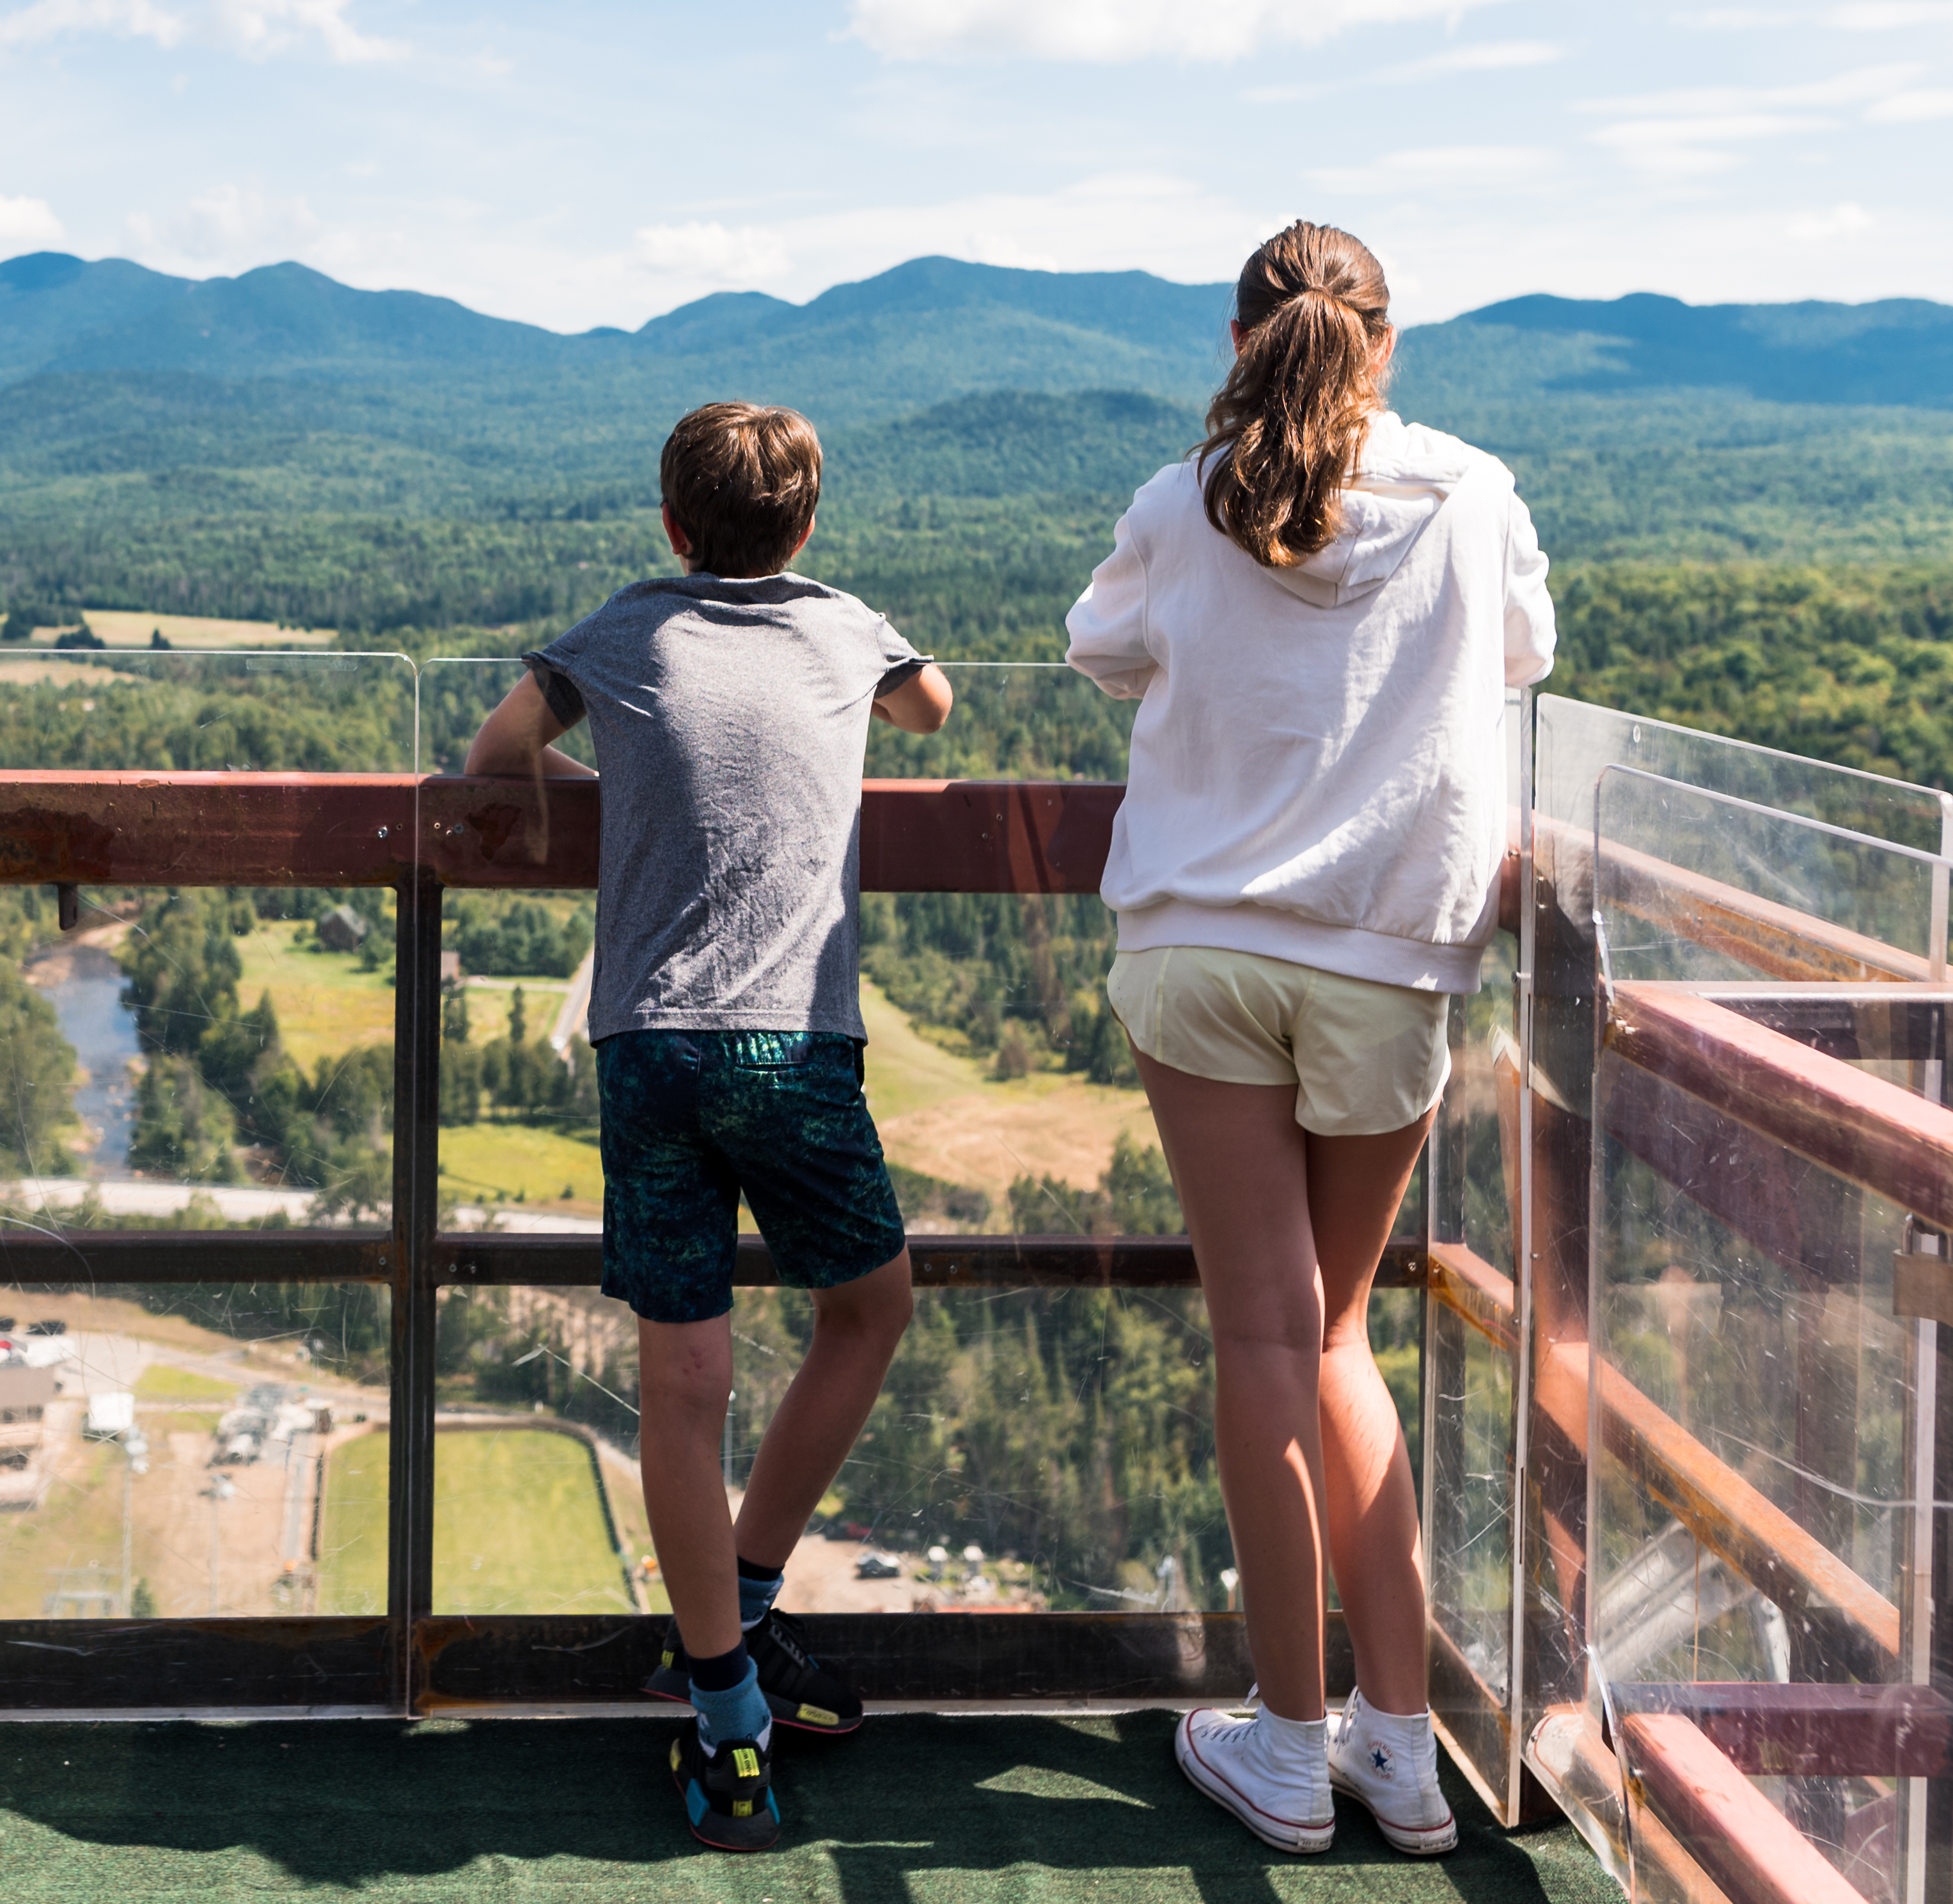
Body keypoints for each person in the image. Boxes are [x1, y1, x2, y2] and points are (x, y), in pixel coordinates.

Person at [1065, 222, 1553, 1856]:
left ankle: (1283, 1743)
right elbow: (1528, 659)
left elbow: (1100, 649)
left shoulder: (1179, 499)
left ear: (1235, 337)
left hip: (1205, 944)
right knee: (1339, 1334)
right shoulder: (1475, 497)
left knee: (1263, 1341)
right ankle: (1400, 1749)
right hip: (1393, 959)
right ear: (1389, 342)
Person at [468, 400, 953, 1851]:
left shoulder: (625, 628)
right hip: (793, 1042)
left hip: (649, 1047)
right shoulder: (841, 622)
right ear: (803, 529)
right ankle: (740, 1600)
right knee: (866, 1314)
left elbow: (494, 755)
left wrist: (619, 800)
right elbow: (934, 712)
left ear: (672, 527)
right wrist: (860, 640)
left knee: (682, 1382)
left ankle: (727, 1714)